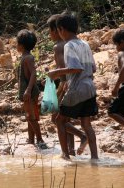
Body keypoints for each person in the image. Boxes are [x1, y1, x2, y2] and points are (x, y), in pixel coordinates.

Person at [48, 13, 98, 160]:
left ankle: (65, 155)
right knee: (86, 124)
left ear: (61, 29)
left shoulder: (69, 45)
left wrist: (55, 73)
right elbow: (93, 68)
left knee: (59, 120)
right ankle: (95, 157)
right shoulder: (85, 44)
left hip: (77, 87)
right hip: (90, 87)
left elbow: (75, 68)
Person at [47, 14, 75, 156]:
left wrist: (60, 86)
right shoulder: (68, 44)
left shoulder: (58, 46)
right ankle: (71, 149)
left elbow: (61, 66)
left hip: (64, 83)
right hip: (72, 82)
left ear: (56, 30)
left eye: (50, 31)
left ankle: (66, 152)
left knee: (56, 118)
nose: (49, 34)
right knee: (66, 118)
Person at [17, 29, 47, 149]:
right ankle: (31, 139)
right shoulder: (25, 57)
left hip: (29, 92)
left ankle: (40, 139)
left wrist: (28, 90)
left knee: (31, 117)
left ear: (21, 45)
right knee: (30, 116)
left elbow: (34, 74)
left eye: (17, 43)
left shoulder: (28, 58)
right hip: (28, 91)